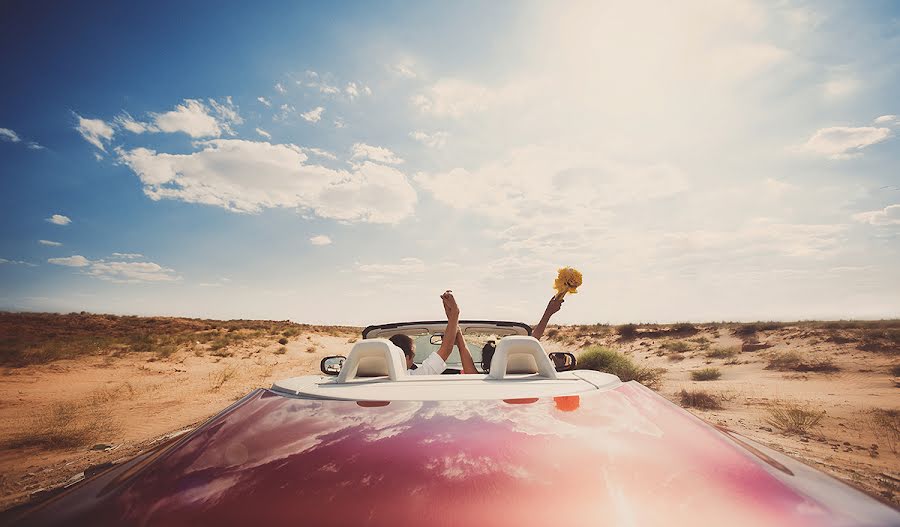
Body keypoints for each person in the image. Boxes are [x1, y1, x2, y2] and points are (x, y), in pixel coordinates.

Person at [390, 290, 477, 375]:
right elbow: (446, 350)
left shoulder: (378, 378)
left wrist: (453, 320)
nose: (413, 362)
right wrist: (454, 313)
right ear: (405, 358)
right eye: (413, 357)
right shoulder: (409, 377)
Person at [481, 295, 565, 373]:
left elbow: (533, 340)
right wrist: (548, 312)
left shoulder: (476, 382)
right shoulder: (539, 379)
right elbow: (533, 341)